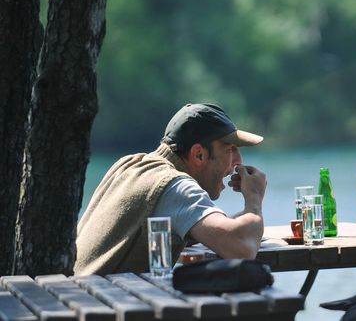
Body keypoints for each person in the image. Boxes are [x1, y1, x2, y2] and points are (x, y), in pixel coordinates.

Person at [75, 103, 267, 275]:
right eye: (230, 149)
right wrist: (254, 197)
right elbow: (242, 248)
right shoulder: (173, 185)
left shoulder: (130, 165)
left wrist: (245, 222)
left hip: (82, 301)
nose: (238, 161)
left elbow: (214, 230)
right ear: (199, 155)